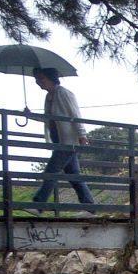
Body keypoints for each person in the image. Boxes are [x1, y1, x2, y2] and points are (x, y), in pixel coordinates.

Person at [30, 67, 95, 210]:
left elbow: (76, 115)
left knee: (51, 171)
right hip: (58, 141)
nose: (38, 82)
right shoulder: (49, 97)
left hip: (67, 142)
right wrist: (30, 115)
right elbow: (48, 119)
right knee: (74, 176)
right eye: (37, 79)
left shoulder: (64, 93)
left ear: (51, 78)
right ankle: (90, 208)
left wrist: (82, 135)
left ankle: (38, 204)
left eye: (41, 79)